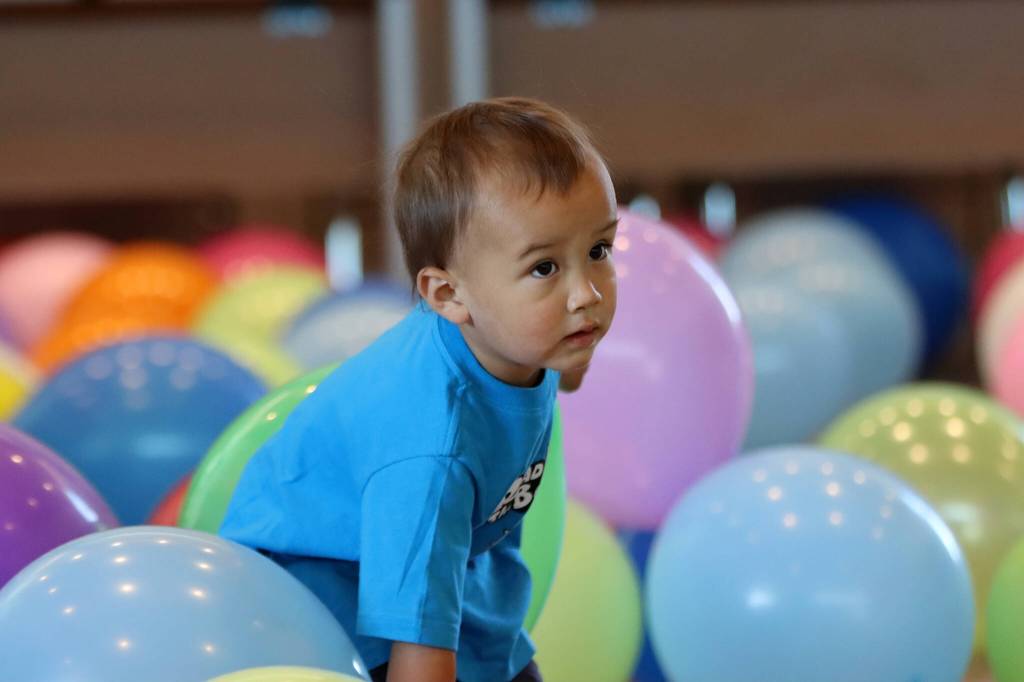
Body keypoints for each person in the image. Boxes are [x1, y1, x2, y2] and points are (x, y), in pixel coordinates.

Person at [219, 97, 619, 682]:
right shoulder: (431, 453)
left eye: (599, 250)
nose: (587, 294)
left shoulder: (523, 331)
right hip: (324, 598)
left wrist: (572, 363)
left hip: (456, 556)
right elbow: (418, 654)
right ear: (448, 295)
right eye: (543, 268)